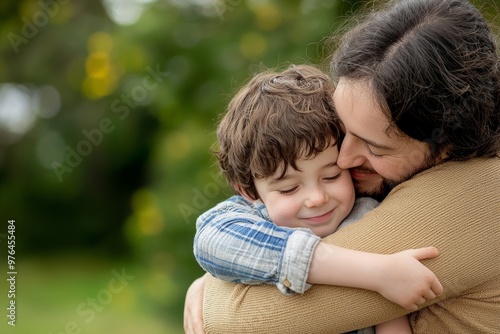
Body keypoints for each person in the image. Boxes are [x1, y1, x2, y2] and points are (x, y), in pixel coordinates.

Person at [184, 0, 500, 333]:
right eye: (344, 130)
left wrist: (214, 285)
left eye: (374, 147)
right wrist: (219, 269)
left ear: (444, 143)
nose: (343, 159)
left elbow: (236, 319)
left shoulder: (469, 198)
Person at [194, 64, 443, 334]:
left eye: (332, 176)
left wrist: (386, 275)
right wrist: (375, 273)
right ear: (249, 192)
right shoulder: (249, 216)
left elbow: (391, 315)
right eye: (289, 189)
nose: (316, 198)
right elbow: (212, 240)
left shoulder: (369, 215)